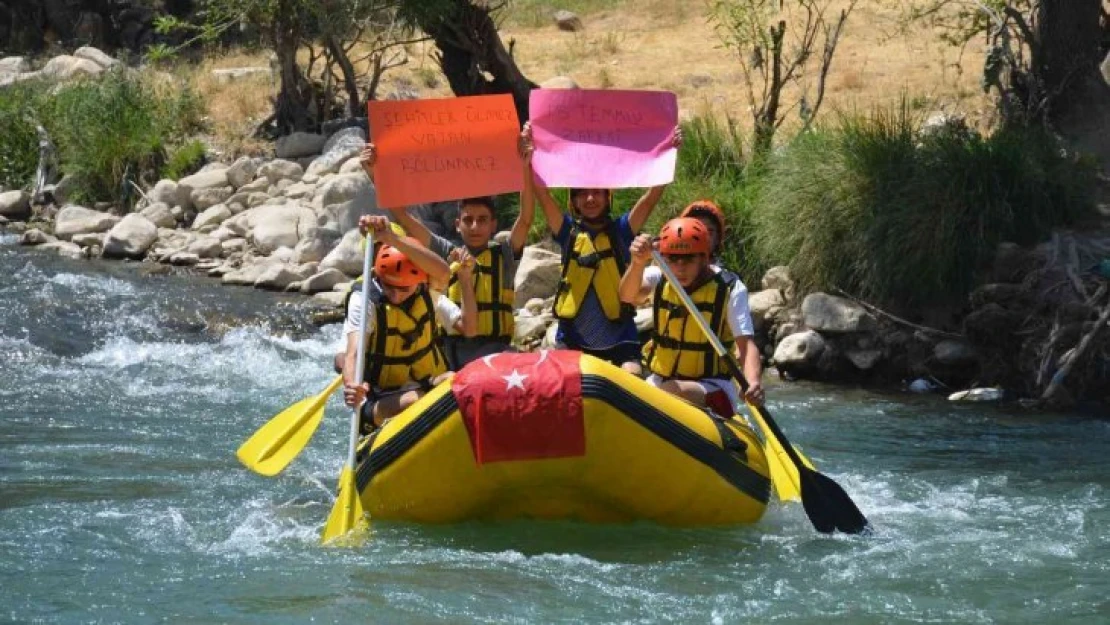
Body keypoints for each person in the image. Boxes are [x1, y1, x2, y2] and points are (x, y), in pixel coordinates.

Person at [359, 138, 535, 369]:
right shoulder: (445, 252)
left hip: (496, 350)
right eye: (468, 220)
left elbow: (525, 219)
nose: (474, 227)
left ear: (493, 225)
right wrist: (375, 174)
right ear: (457, 224)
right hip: (450, 353)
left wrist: (525, 166)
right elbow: (405, 219)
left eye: (482, 220)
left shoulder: (505, 255)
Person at [528, 122, 681, 375]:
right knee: (560, 380)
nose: (590, 199)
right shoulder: (567, 232)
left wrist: (669, 153)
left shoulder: (621, 231)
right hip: (574, 337)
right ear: (574, 201)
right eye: (583, 194)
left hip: (619, 336)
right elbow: (543, 197)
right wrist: (530, 156)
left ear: (607, 197)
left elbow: (651, 198)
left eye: (597, 192)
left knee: (631, 373)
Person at [342, 216, 478, 433]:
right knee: (414, 401)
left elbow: (468, 325)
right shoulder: (364, 300)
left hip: (424, 382)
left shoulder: (425, 291)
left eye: (403, 290)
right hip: (381, 396)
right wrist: (351, 384)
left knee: (457, 381)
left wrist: (391, 237)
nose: (396, 296)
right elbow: (352, 354)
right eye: (389, 287)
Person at [618, 217, 764, 416]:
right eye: (672, 259)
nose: (679, 267)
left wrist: (753, 382)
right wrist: (637, 263)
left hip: (711, 386)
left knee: (674, 390)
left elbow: (745, 346)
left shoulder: (729, 288)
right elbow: (627, 295)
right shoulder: (660, 275)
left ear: (704, 257)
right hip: (661, 380)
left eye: (688, 259)